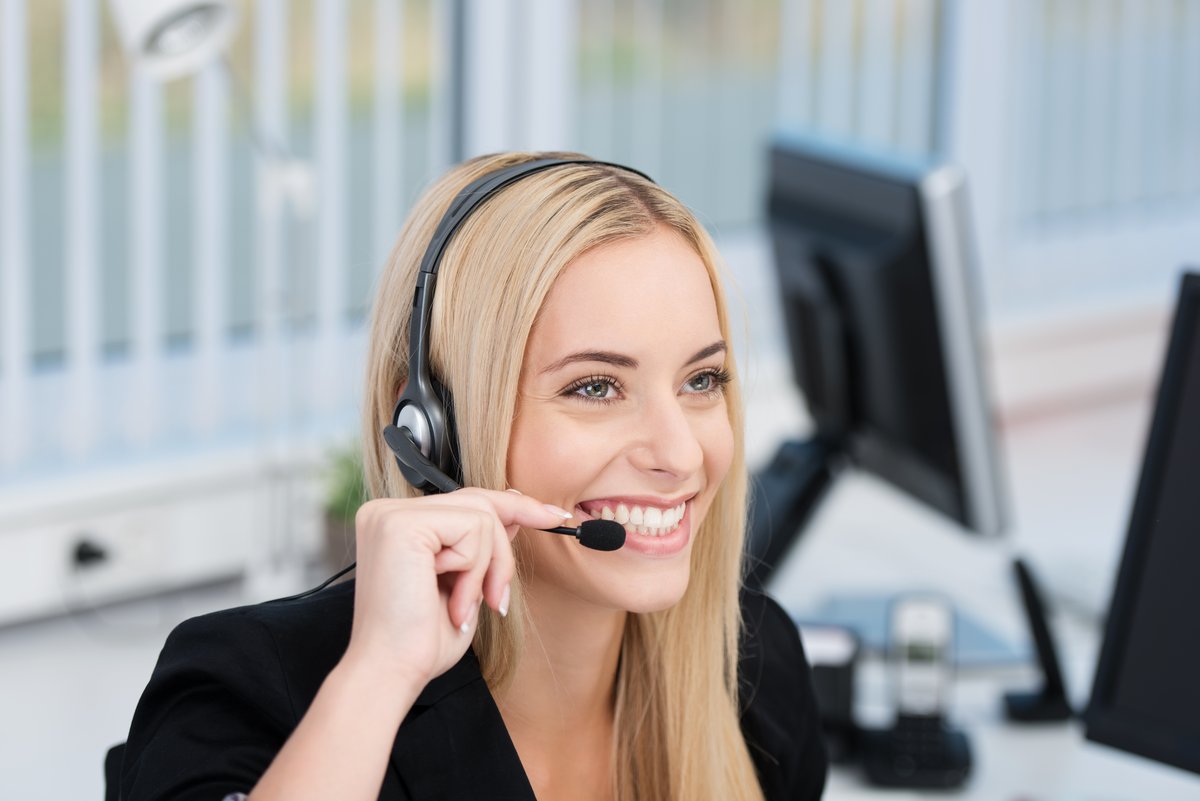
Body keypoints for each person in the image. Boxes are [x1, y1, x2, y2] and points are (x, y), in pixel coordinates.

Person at [116, 152, 828, 801]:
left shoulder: (756, 676)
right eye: (595, 387)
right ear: (432, 426)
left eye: (701, 379)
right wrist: (379, 675)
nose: (679, 453)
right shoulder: (248, 691)